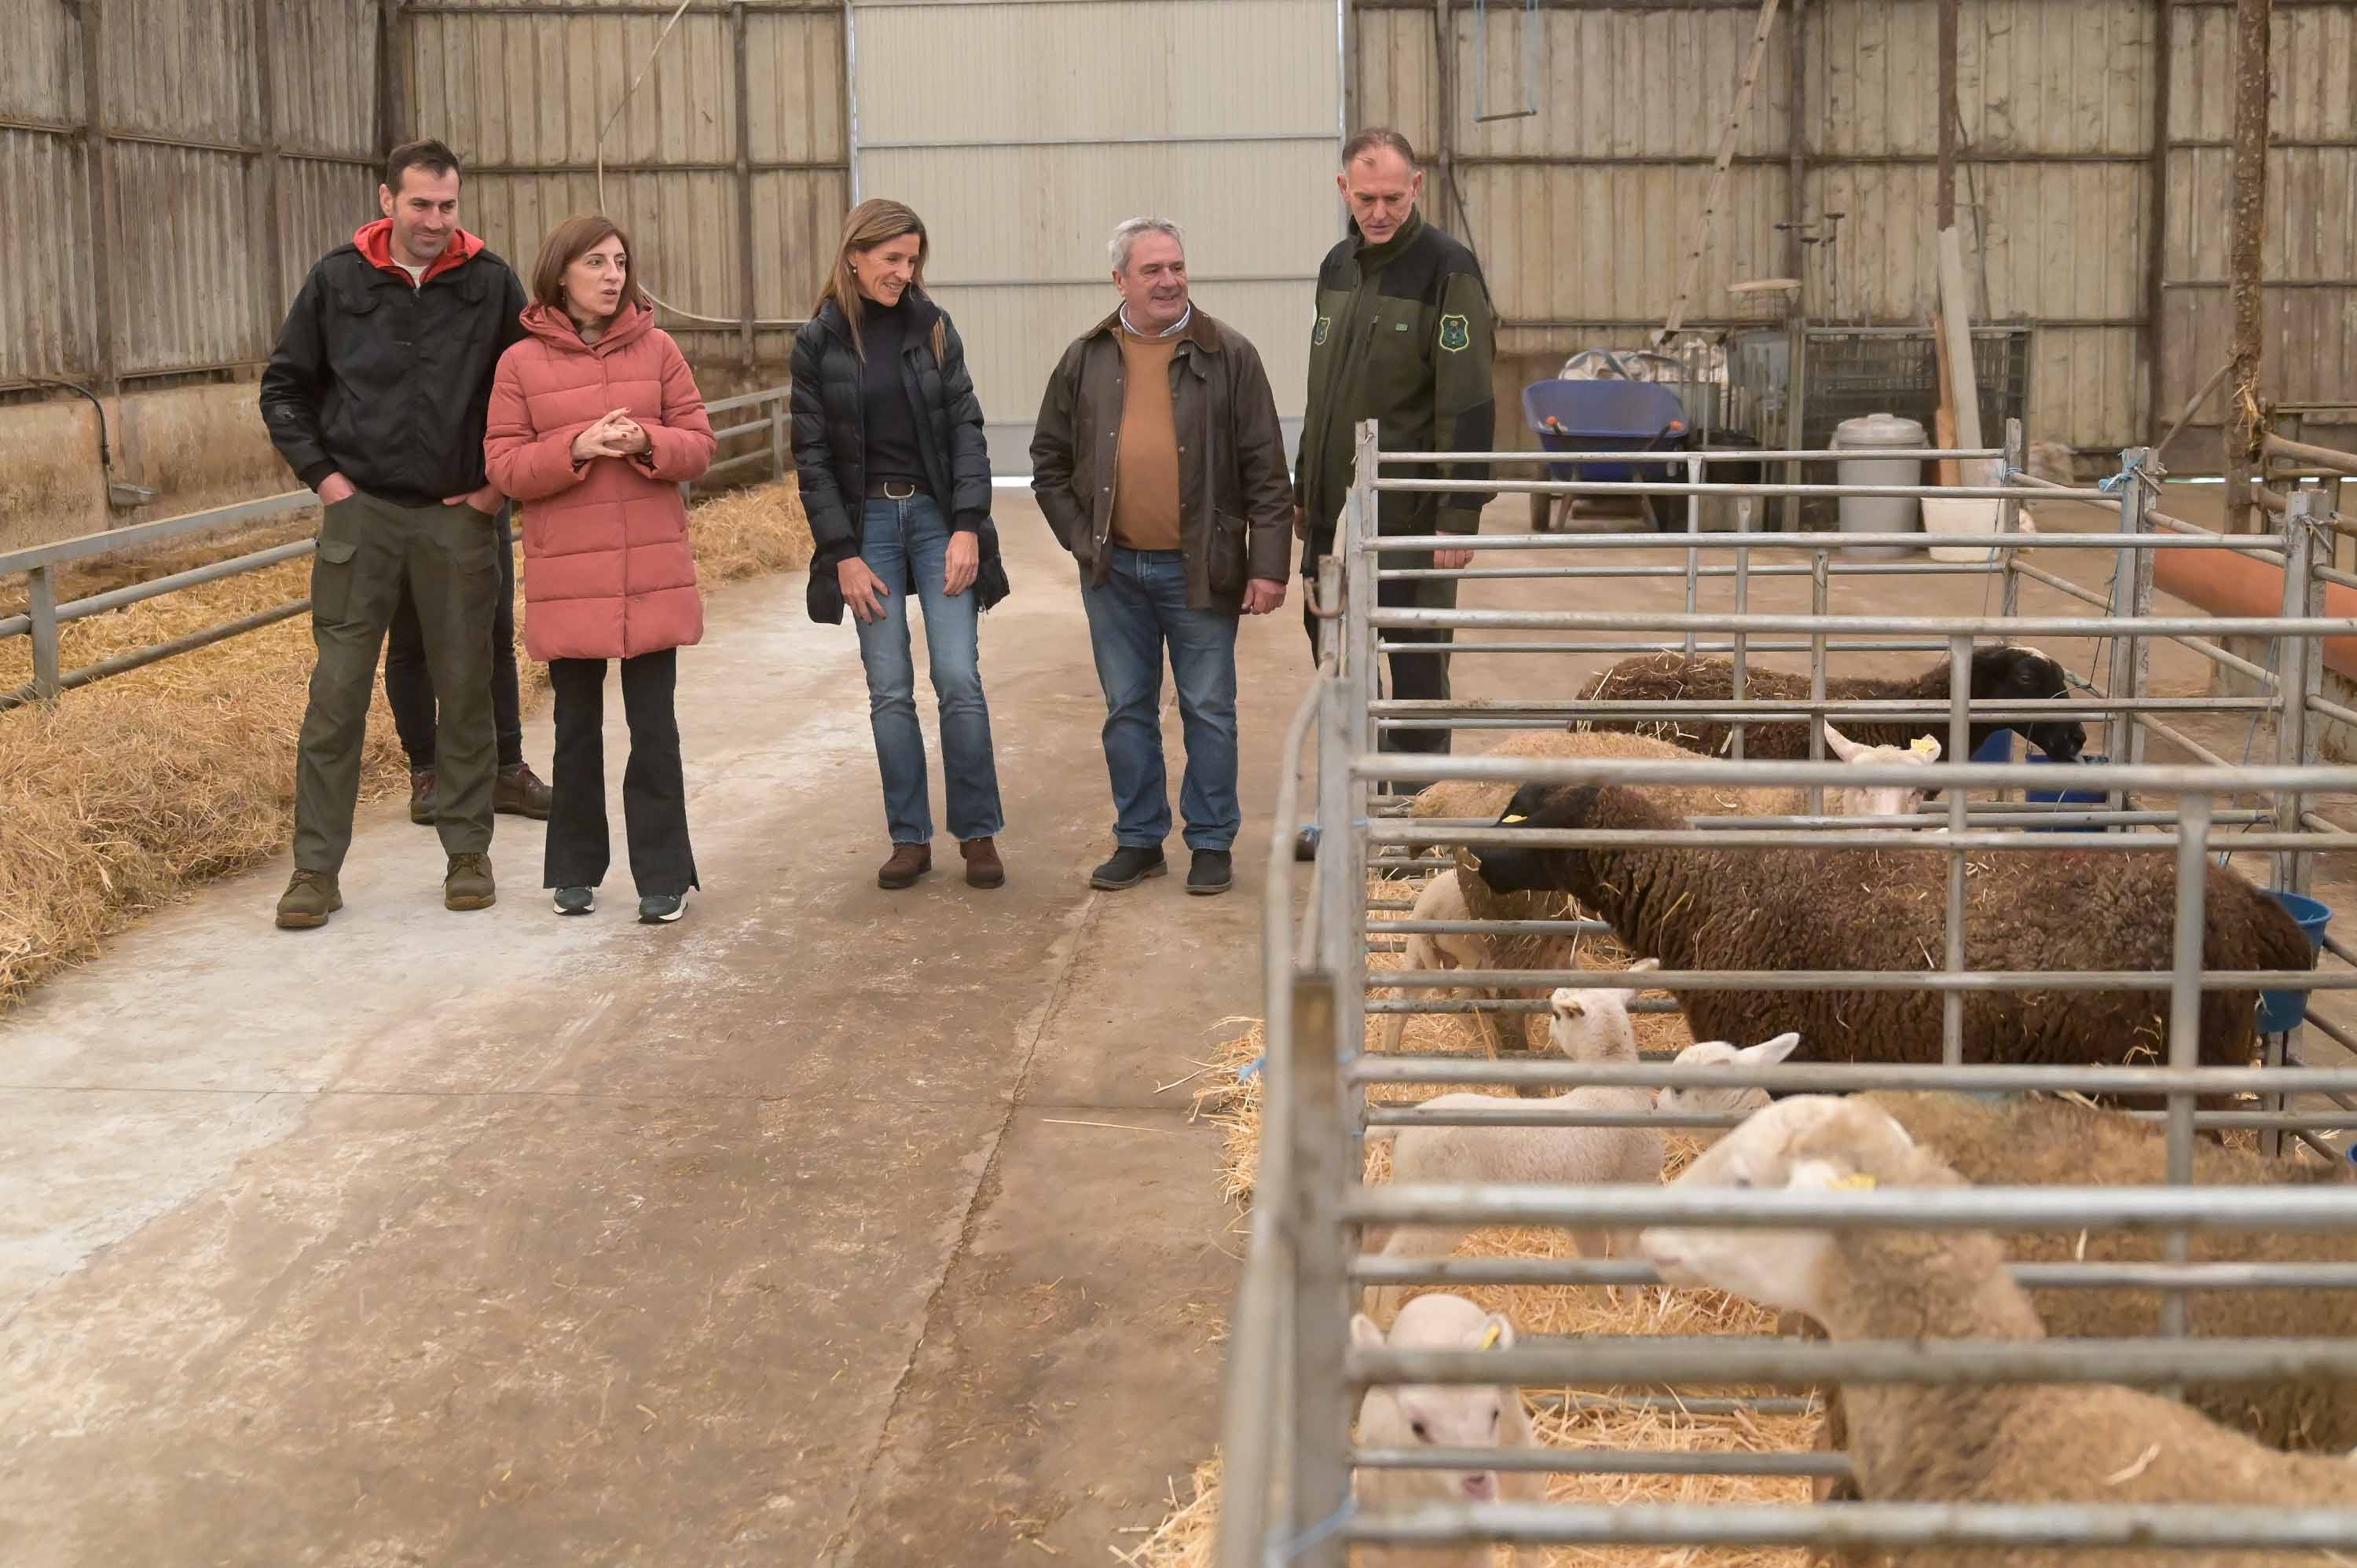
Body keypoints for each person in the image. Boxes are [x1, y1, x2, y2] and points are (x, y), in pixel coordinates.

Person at [259, 137, 528, 928]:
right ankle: (315, 870)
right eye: (420, 205)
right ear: (387, 200)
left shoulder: (490, 282)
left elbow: (529, 391)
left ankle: (468, 853)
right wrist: (327, 480)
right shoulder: (338, 280)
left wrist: (492, 492)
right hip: (363, 514)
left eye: (448, 206)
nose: (435, 221)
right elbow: (284, 387)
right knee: (337, 695)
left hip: (457, 518)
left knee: (467, 688)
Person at [1031, 217, 1293, 896]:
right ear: (1120, 279)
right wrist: (1081, 538)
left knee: (1208, 708)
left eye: (1177, 266)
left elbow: (1267, 469)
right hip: (1114, 571)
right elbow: (1048, 462)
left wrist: (1268, 566)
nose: (1169, 281)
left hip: (1200, 568)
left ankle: (1210, 841)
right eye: (1152, 270)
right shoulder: (1086, 357)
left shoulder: (1228, 354)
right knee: (1127, 709)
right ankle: (1140, 839)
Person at [483, 214, 715, 924]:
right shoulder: (520, 364)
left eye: (619, 262)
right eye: (595, 262)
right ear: (561, 273)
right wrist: (577, 448)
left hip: (650, 570)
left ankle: (664, 876)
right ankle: (575, 870)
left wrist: (648, 441)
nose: (613, 275)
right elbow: (504, 467)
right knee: (575, 728)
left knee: (655, 729)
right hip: (571, 575)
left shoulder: (660, 349)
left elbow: (700, 444)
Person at [790, 200, 1011, 892]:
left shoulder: (934, 328)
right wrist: (842, 553)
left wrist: (968, 525)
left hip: (938, 518)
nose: (904, 273)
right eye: (892, 259)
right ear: (854, 256)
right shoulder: (818, 341)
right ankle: (909, 838)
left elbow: (967, 428)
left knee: (958, 677)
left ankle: (977, 832)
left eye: (912, 261)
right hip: (870, 530)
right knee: (889, 688)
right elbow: (812, 457)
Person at [1294, 126, 1497, 851]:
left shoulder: (1448, 270)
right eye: (1365, 198)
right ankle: (1350, 814)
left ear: (1416, 188)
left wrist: (1458, 513)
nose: (1377, 212)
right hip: (1334, 514)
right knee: (1337, 662)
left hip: (1409, 515)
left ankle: (1416, 828)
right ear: (1343, 190)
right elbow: (1321, 392)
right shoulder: (1336, 266)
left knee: (1415, 666)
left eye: (1391, 197)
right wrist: (1304, 487)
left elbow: (1467, 400)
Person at [383, 527, 552, 826]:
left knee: (496, 638)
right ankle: (426, 771)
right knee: (411, 641)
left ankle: (507, 771)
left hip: (484, 512)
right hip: (408, 511)